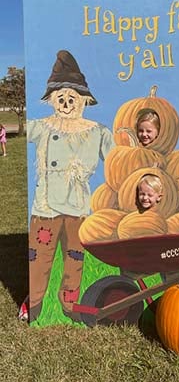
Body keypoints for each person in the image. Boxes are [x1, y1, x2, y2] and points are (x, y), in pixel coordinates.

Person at [27, 50, 113, 322]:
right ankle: (36, 303)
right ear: (52, 100)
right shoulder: (42, 126)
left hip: (78, 206)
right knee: (38, 259)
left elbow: (116, 161)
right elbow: (24, 130)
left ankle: (69, 303)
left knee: (75, 260)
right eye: (60, 98)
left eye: (71, 98)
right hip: (45, 207)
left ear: (83, 101)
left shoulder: (96, 131)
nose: (65, 103)